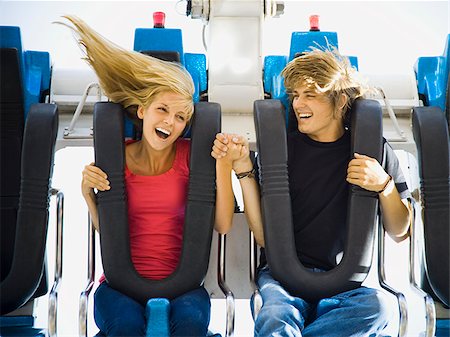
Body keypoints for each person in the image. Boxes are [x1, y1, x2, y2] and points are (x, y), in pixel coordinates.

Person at [212, 48, 412, 337]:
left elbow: (400, 230)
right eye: (294, 94)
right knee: (276, 316)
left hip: (344, 285)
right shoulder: (280, 151)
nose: (298, 103)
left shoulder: (374, 149)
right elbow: (264, 236)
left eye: (310, 95)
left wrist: (384, 185)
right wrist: (243, 170)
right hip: (283, 278)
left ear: (340, 100)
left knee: (379, 308)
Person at [59, 16, 235, 336]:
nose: (170, 122)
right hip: (119, 286)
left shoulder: (189, 158)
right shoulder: (117, 157)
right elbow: (110, 230)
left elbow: (222, 224)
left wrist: (223, 166)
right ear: (142, 111)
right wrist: (87, 193)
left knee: (192, 326)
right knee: (125, 327)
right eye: (163, 110)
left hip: (184, 287)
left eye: (181, 117)